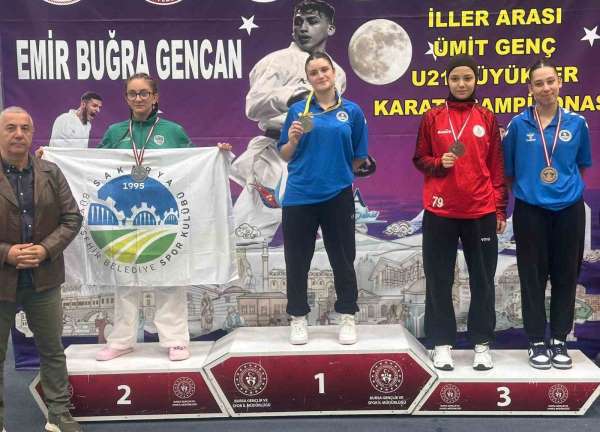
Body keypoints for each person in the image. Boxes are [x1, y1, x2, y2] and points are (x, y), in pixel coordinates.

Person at [94, 73, 230, 362]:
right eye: (133, 93)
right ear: (125, 98)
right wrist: (52, 157)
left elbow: (193, 168)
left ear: (155, 96)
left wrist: (215, 156)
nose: (138, 98)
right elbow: (95, 169)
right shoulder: (115, 132)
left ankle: (175, 340)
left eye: (144, 93)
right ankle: (121, 340)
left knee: (170, 279)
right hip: (124, 218)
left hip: (165, 215)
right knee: (125, 282)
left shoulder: (173, 131)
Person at [413, 55, 507, 371]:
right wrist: (439, 164)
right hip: (440, 210)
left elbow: (496, 167)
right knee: (439, 279)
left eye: (467, 78)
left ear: (476, 81)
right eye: (456, 78)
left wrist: (500, 208)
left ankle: (482, 345)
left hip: (480, 211)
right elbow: (419, 159)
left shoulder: (487, 118)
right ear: (448, 82)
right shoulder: (432, 117)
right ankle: (441, 345)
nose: (462, 84)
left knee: (482, 280)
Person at [230, 0, 346, 244]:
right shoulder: (277, 61)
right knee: (249, 234)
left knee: (332, 233)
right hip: (277, 153)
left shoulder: (337, 72)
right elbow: (253, 106)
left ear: (330, 28)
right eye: (298, 22)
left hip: (318, 156)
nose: (303, 27)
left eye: (312, 21)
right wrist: (289, 97)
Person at [503, 59, 591, 369]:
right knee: (532, 277)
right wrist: (533, 192)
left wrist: (562, 191)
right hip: (530, 212)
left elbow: (581, 165)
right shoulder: (518, 125)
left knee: (566, 276)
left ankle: (559, 340)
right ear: (530, 89)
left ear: (559, 83)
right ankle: (536, 341)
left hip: (569, 211)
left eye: (550, 81)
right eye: (539, 83)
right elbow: (509, 172)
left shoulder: (577, 123)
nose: (546, 88)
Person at [0, 107, 83, 432]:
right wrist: (6, 253)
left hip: (44, 277)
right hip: (1, 278)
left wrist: (45, 249)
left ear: (33, 133)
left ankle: (58, 415)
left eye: (25, 128)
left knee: (52, 350)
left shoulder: (51, 172)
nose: (18, 134)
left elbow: (72, 218)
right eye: (10, 128)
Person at [278, 52, 368, 345]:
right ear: (308, 79)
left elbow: (359, 156)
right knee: (297, 260)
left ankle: (347, 315)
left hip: (337, 196)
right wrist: (293, 140)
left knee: (343, 259)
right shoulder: (297, 111)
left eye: (324, 69)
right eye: (314, 72)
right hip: (299, 196)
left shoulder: (352, 111)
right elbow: (284, 154)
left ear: (333, 73)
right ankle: (298, 317)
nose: (320, 75)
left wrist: (336, 173)